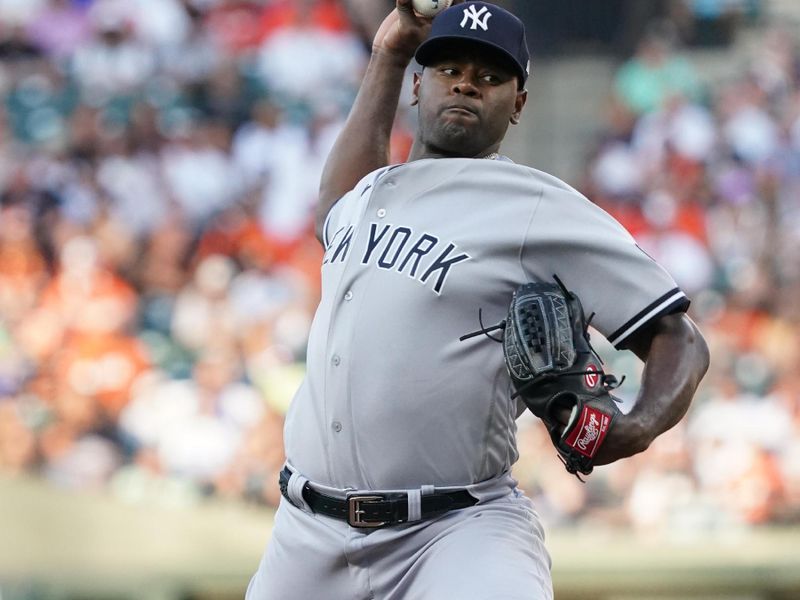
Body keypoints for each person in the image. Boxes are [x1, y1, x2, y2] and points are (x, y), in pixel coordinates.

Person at [245, 2, 710, 598]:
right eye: (448, 69)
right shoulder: (371, 191)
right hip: (306, 536)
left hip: (454, 531)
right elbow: (334, 210)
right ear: (419, 84)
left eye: (490, 76)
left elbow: (680, 338)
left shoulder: (535, 205)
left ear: (518, 104)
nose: (466, 82)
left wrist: (638, 426)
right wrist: (388, 52)